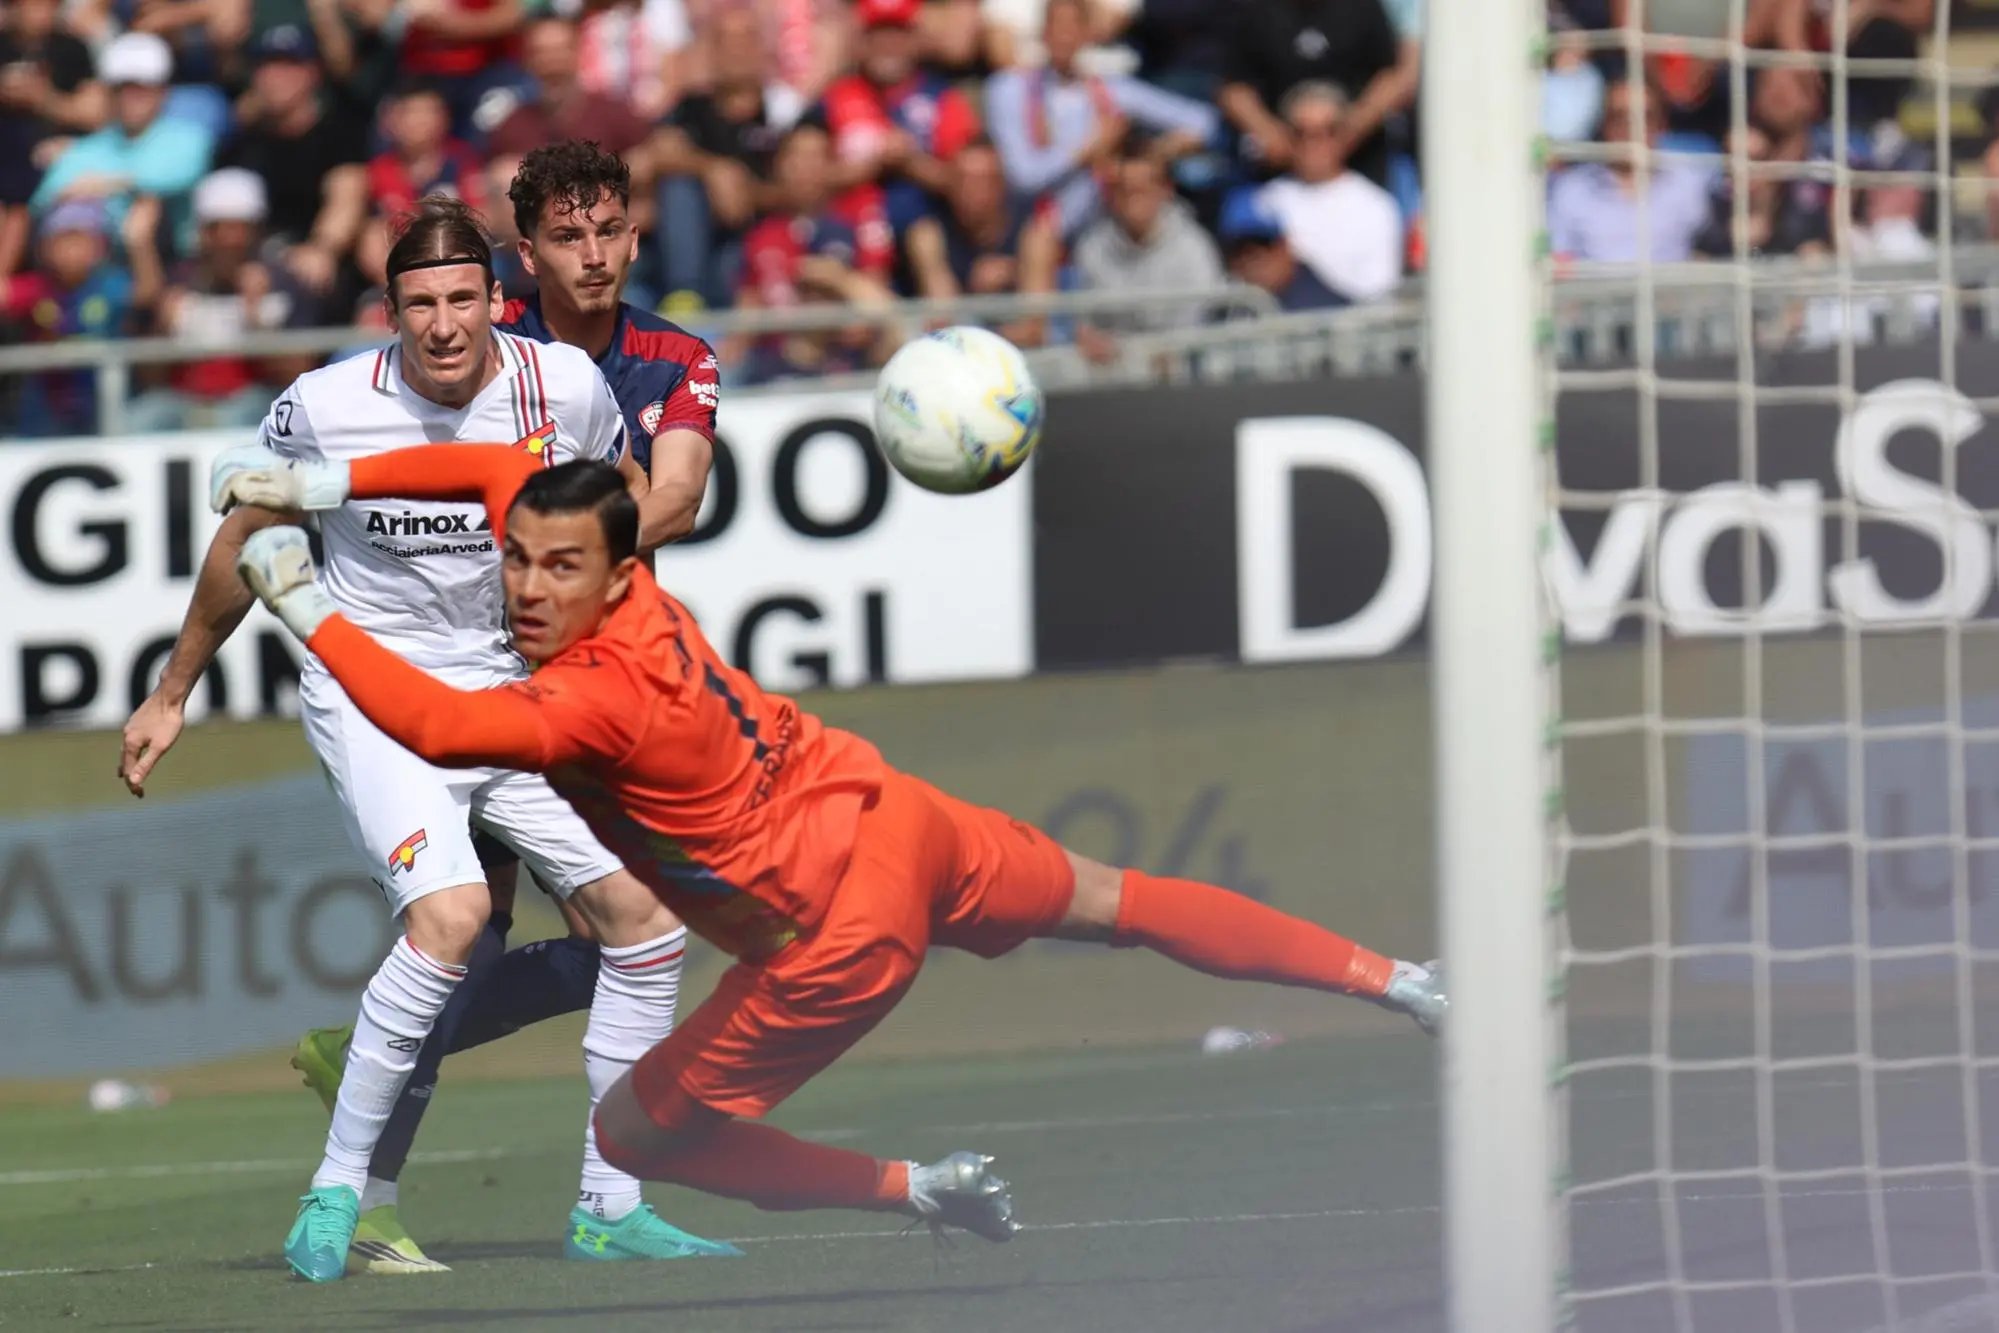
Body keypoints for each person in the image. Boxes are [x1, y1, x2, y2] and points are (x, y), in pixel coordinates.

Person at [211, 442, 1447, 1243]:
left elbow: (430, 717)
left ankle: (918, 1189)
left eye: (556, 568)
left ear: (618, 568)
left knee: (633, 1135)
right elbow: (495, 468)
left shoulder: (592, 695)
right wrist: (331, 487)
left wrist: (299, 587)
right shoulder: (626, 584)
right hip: (889, 810)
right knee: (1115, 898)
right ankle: (1402, 981)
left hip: (833, 930)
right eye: (518, 560)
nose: (527, 587)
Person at [115, 195, 732, 1282]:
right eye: (418, 304)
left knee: (643, 918)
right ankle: (340, 1190)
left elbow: (624, 505)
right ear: (389, 310)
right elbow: (243, 541)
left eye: (461, 299)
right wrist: (173, 690)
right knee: (451, 919)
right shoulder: (326, 404)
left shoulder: (565, 388)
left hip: (510, 694)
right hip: (374, 696)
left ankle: (609, 1201)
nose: (443, 324)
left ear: (500, 302)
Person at [984, 0, 1215, 244]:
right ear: (1043, 33)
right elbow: (1023, 177)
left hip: (1101, 225)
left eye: (1073, 26)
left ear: (1087, 35)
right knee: (1039, 237)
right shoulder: (1010, 88)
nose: (1064, 36)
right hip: (1031, 225)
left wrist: (1153, 153)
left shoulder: (1109, 90)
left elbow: (1203, 121)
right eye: (1057, 26)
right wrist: (1089, 148)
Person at [1254, 83, 1403, 306]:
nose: (1314, 142)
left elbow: (1378, 297)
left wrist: (1299, 276)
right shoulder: (1264, 201)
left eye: (1328, 130)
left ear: (1344, 134)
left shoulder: (1376, 207)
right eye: (1301, 132)